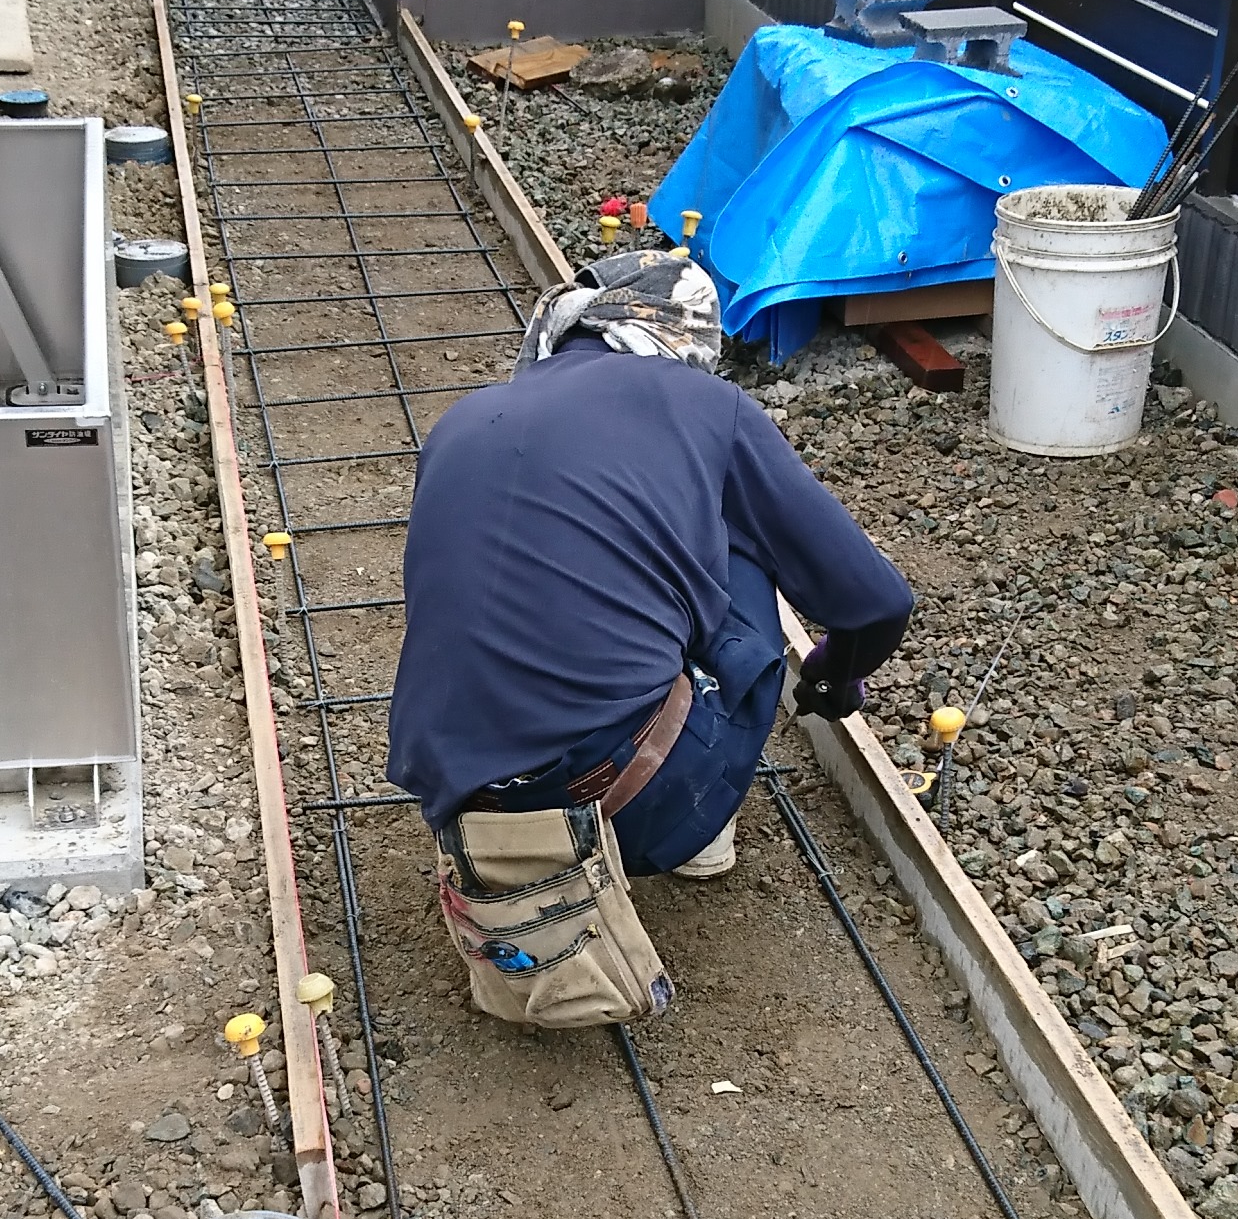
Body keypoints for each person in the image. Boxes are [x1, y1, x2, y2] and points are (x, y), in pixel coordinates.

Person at [389, 252, 915, 917]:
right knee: (739, 535)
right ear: (682, 342)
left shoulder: (462, 419)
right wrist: (833, 674)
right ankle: (698, 830)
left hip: (460, 799)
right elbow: (877, 603)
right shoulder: (704, 403)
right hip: (626, 804)